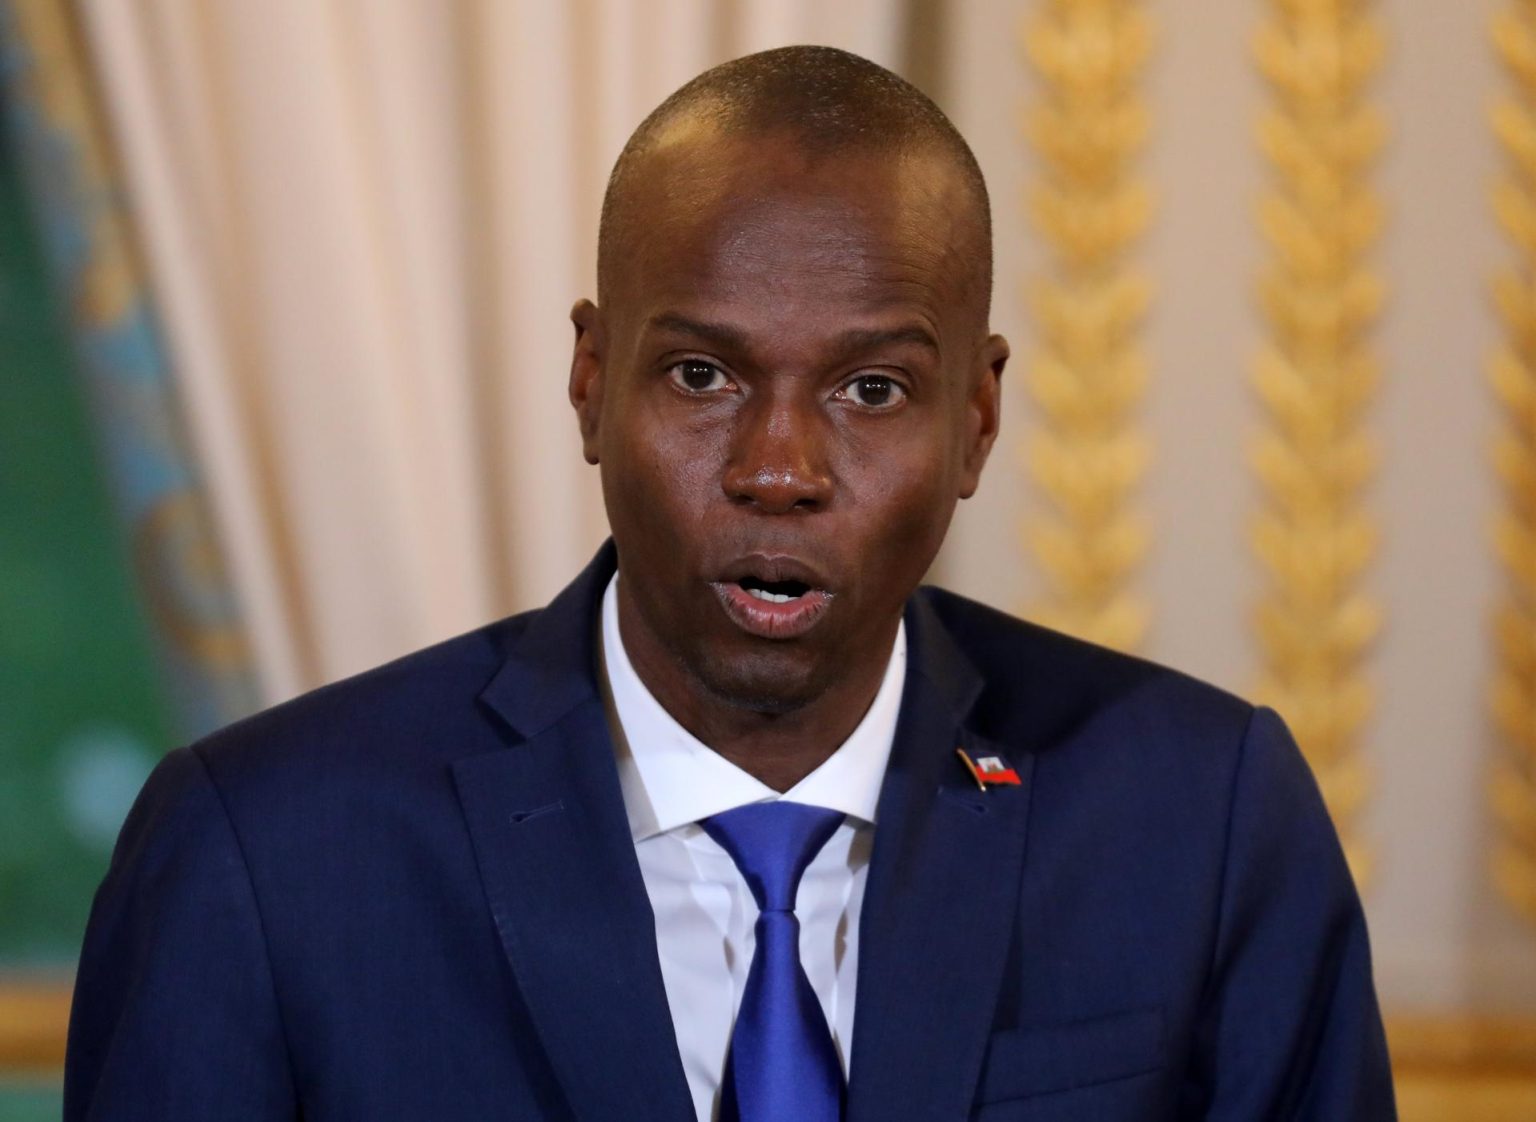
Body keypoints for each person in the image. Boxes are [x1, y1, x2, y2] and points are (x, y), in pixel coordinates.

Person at [64, 45, 1396, 1122]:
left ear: (976, 422)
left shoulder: (1202, 813)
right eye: (701, 375)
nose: (777, 468)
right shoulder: (266, 848)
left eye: (872, 389)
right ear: (592, 383)